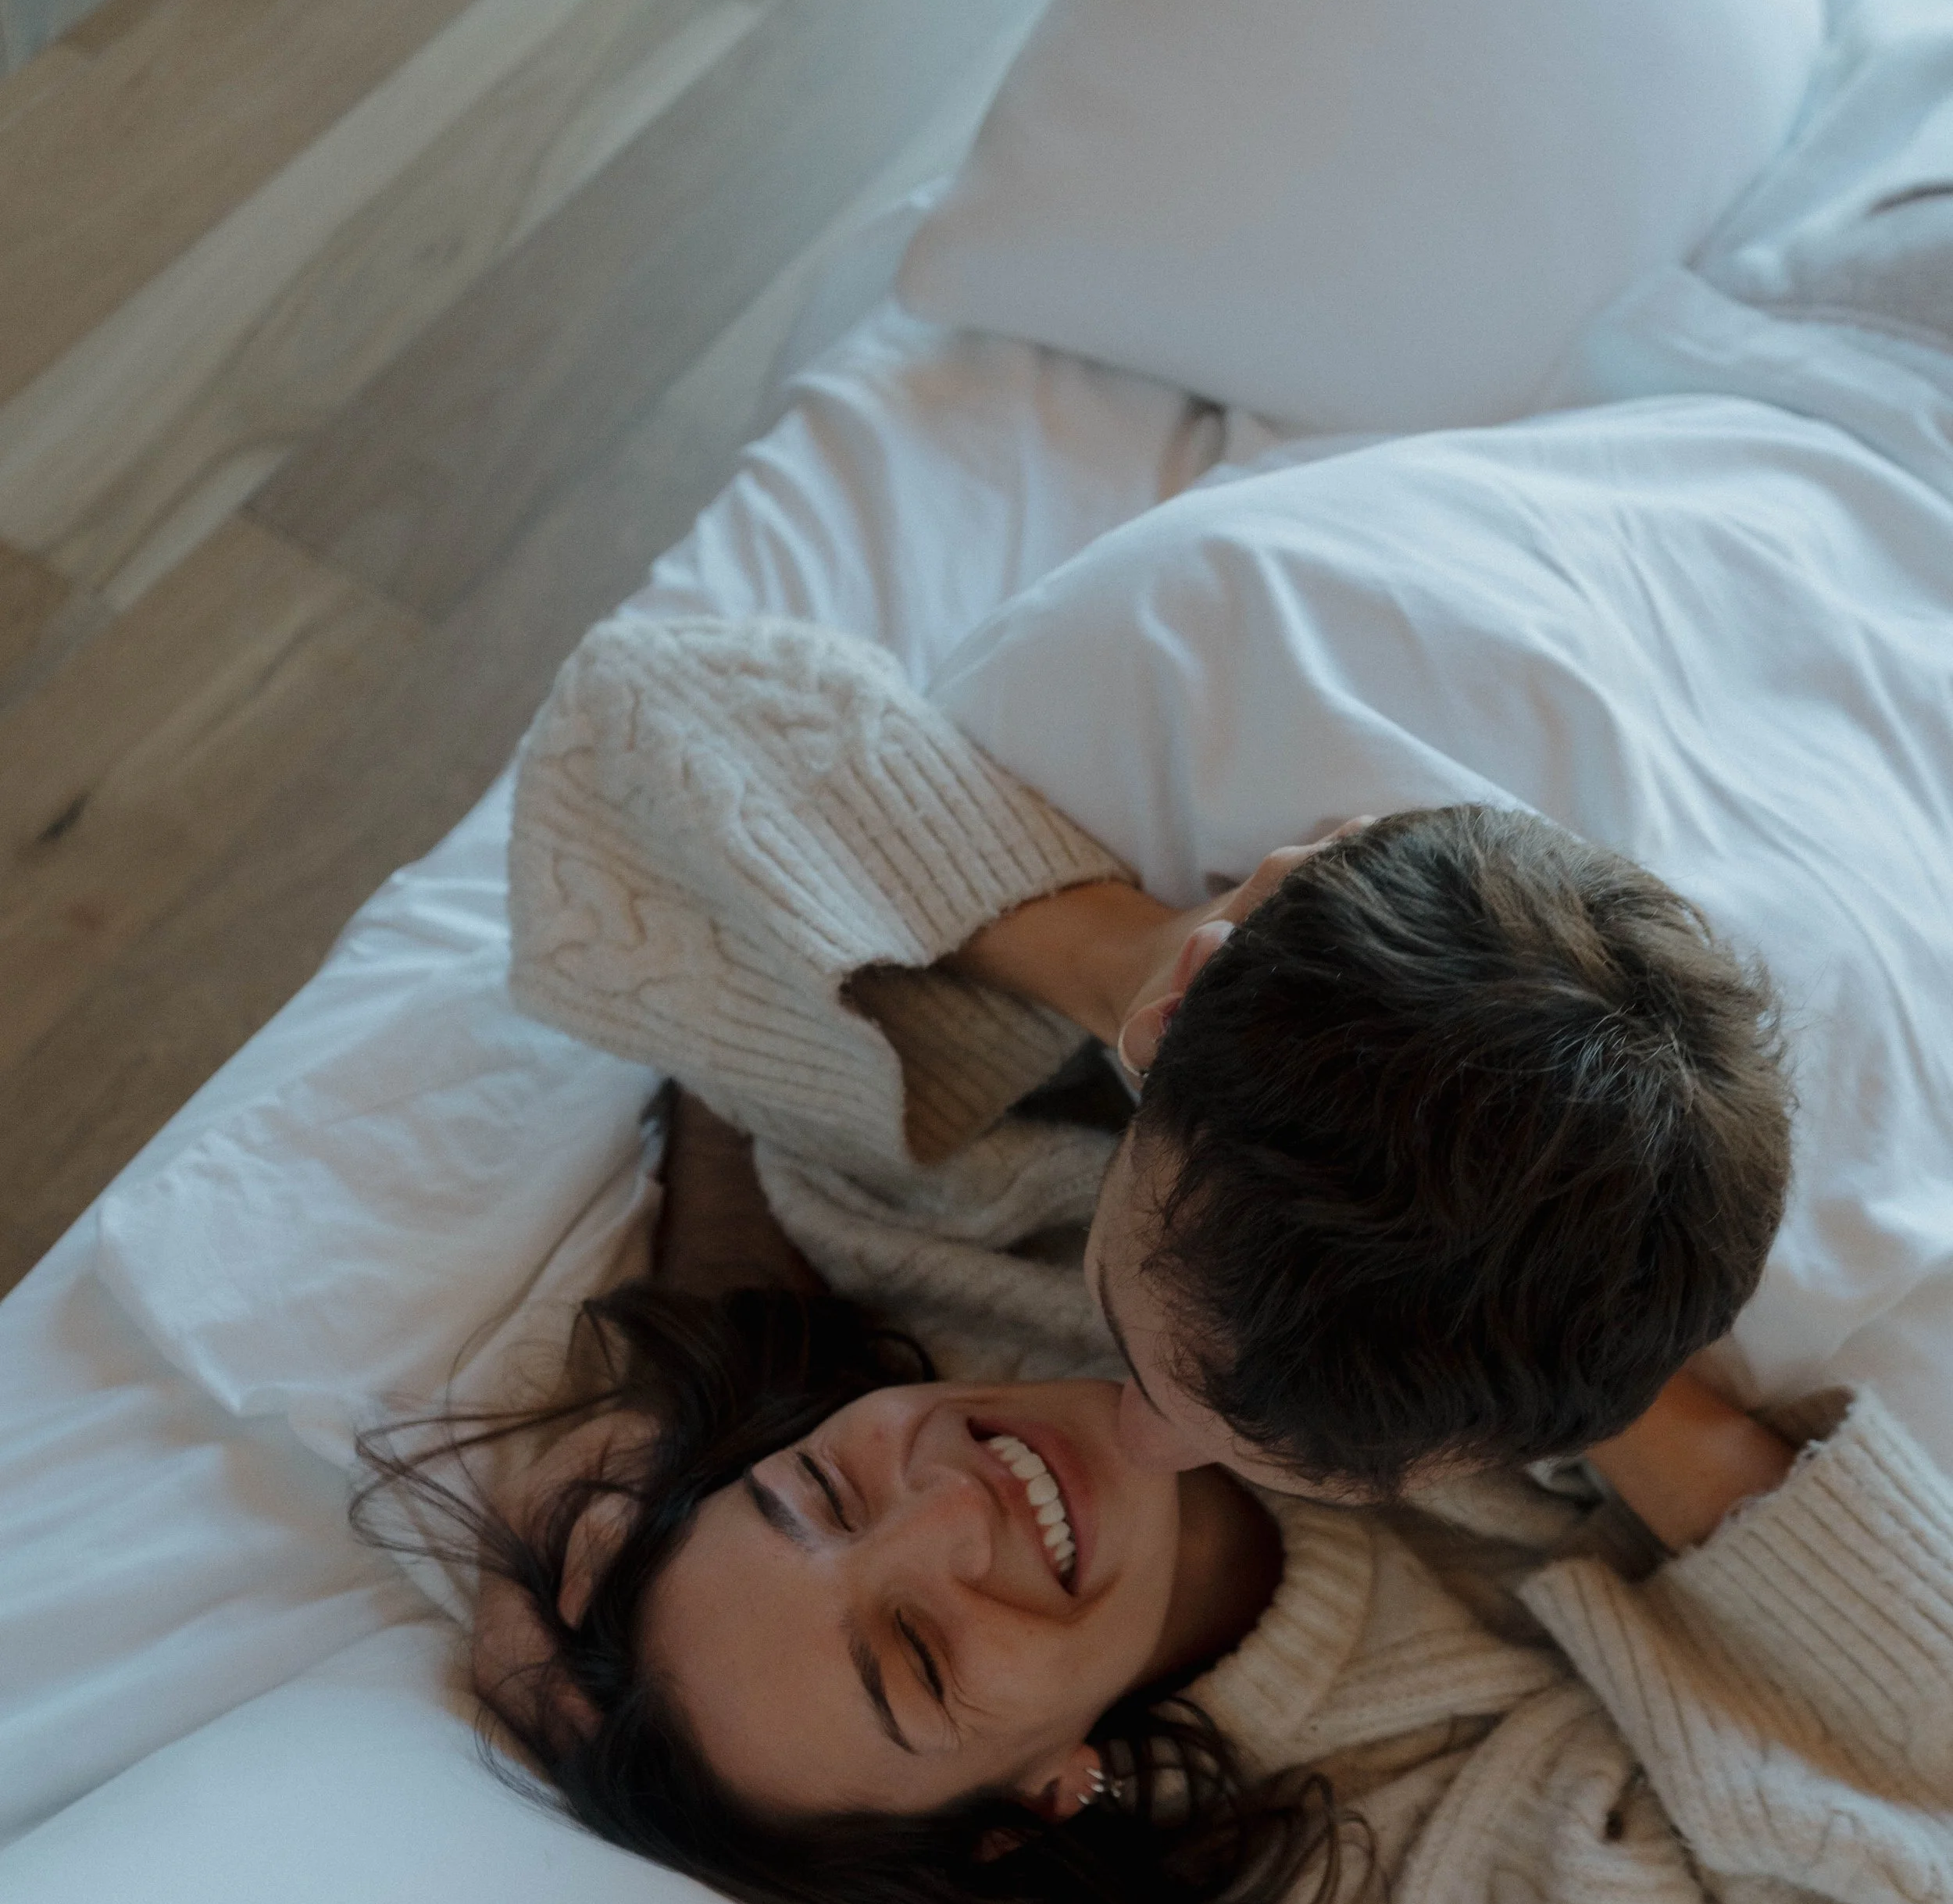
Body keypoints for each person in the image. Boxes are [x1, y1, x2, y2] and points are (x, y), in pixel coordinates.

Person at [369, 1238, 1953, 1904]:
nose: (948, 1509)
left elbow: (662, 749)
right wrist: (1594, 1374)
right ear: (1036, 1797)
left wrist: (1137, 970)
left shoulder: (1005, 1272)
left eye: (811, 1489)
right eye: (914, 1659)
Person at [507, 609, 1791, 1501]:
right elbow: (633, 703)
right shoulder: (1189, 672)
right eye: (1127, 1345)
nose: (1136, 1438)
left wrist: (1588, 1373)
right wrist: (1126, 961)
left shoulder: (1741, 1282)